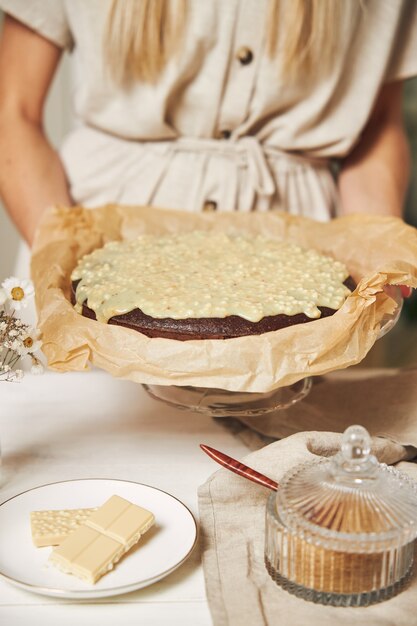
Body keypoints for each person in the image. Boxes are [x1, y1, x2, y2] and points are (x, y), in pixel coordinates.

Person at [0, 0, 416, 250]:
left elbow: (378, 127)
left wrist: (373, 254)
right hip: (94, 227)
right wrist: (64, 260)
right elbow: (13, 111)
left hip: (304, 251)